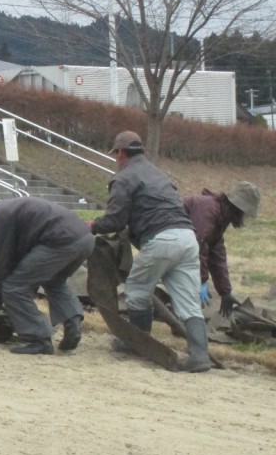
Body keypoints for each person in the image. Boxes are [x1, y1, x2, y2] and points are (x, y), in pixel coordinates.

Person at [88, 131, 211, 372]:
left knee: (136, 291)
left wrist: (92, 226)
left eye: (116, 154)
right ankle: (200, 356)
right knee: (189, 304)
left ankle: (138, 342)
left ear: (120, 153)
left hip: (161, 239)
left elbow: (114, 220)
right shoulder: (160, 175)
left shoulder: (123, 178)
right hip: (187, 238)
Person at [0, 195, 94, 355]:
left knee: (14, 287)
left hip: (60, 240)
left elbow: (1, 269)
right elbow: (17, 263)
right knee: (54, 281)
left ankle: (40, 339)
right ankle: (72, 323)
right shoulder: (4, 211)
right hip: (84, 238)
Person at [184, 182, 261, 317]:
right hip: (163, 239)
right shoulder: (208, 209)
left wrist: (225, 292)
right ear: (237, 209)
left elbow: (216, 254)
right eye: (244, 213)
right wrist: (201, 280)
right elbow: (198, 245)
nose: (244, 218)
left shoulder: (220, 216)